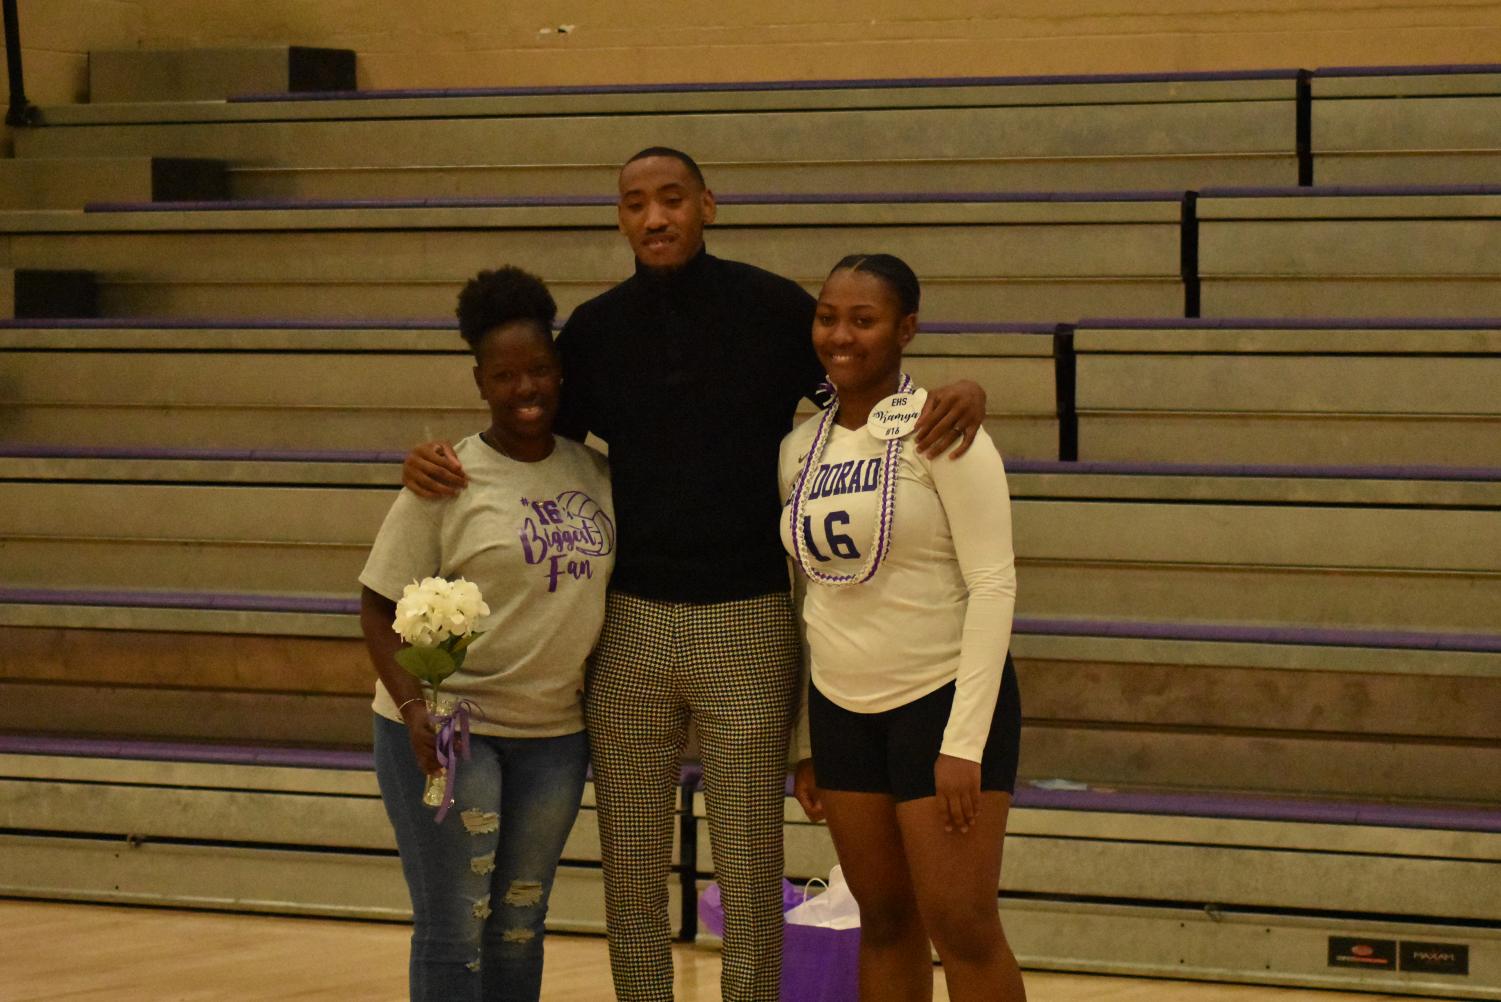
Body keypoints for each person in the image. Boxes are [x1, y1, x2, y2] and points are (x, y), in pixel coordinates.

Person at [400, 148, 988, 1002]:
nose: (655, 217)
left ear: (707, 205)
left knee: (751, 873)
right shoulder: (595, 333)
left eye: (671, 199)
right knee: (632, 875)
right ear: (620, 219)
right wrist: (433, 458)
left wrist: (958, 388)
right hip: (629, 626)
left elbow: (863, 396)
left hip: (749, 622)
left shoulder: (774, 309)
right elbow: (523, 422)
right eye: (634, 204)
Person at [359, 266, 615, 1002]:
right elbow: (377, 608)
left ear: (559, 371)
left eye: (537, 369)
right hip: (450, 731)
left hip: (555, 736)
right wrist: (415, 711)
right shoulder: (446, 480)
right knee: (456, 926)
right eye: (505, 375)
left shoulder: (596, 473)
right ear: (480, 383)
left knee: (519, 923)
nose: (525, 388)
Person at [784, 254, 1025, 1002]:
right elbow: (807, 595)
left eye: (864, 318)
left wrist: (962, 743)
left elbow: (993, 584)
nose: (840, 334)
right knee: (884, 924)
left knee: (961, 925)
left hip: (939, 702)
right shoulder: (798, 448)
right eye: (828, 316)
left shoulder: (945, 431)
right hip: (842, 712)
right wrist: (807, 741)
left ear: (906, 329)